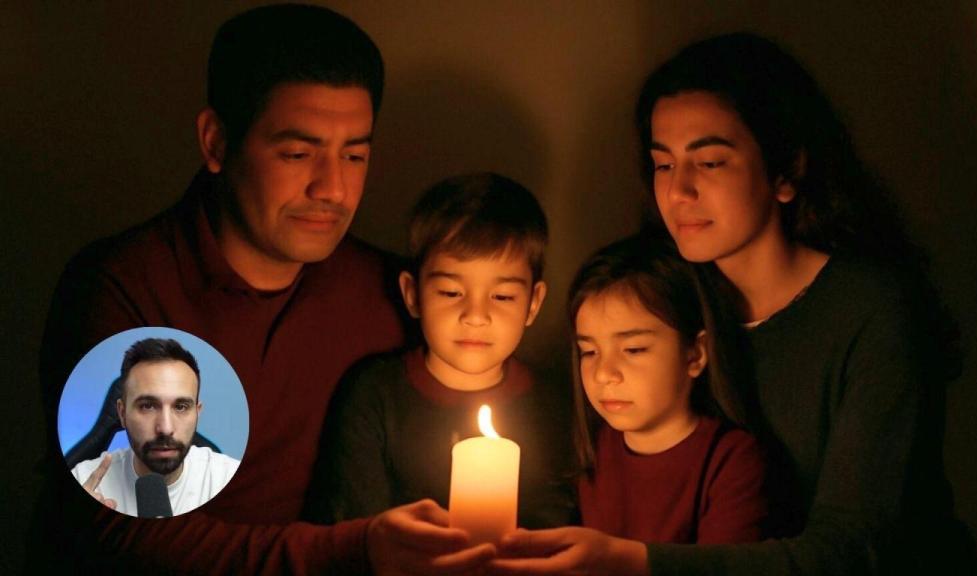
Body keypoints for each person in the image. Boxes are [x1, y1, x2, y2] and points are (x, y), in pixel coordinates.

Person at [492, 33, 977, 576]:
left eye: (710, 163)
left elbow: (853, 547)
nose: (679, 191)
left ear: (785, 172)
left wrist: (638, 563)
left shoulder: (872, 312)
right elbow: (605, 467)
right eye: (663, 165)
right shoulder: (662, 300)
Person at [34, 5, 494, 574]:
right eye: (298, 154)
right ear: (217, 142)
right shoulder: (121, 288)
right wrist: (355, 548)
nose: (332, 188)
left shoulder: (382, 290)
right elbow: (123, 528)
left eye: (354, 155)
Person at [304, 172, 576, 531]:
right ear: (413, 294)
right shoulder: (376, 394)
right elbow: (351, 521)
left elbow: (557, 523)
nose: (476, 316)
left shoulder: (551, 404)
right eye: (450, 292)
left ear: (533, 303)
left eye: (503, 296)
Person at [568, 233, 766, 544]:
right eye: (590, 352)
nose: (604, 374)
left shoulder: (729, 460)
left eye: (633, 350)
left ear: (695, 353)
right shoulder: (599, 448)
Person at [70, 338, 240, 517]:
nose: (165, 428)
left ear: (197, 414)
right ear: (121, 413)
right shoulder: (83, 479)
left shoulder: (229, 479)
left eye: (180, 407)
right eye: (147, 406)